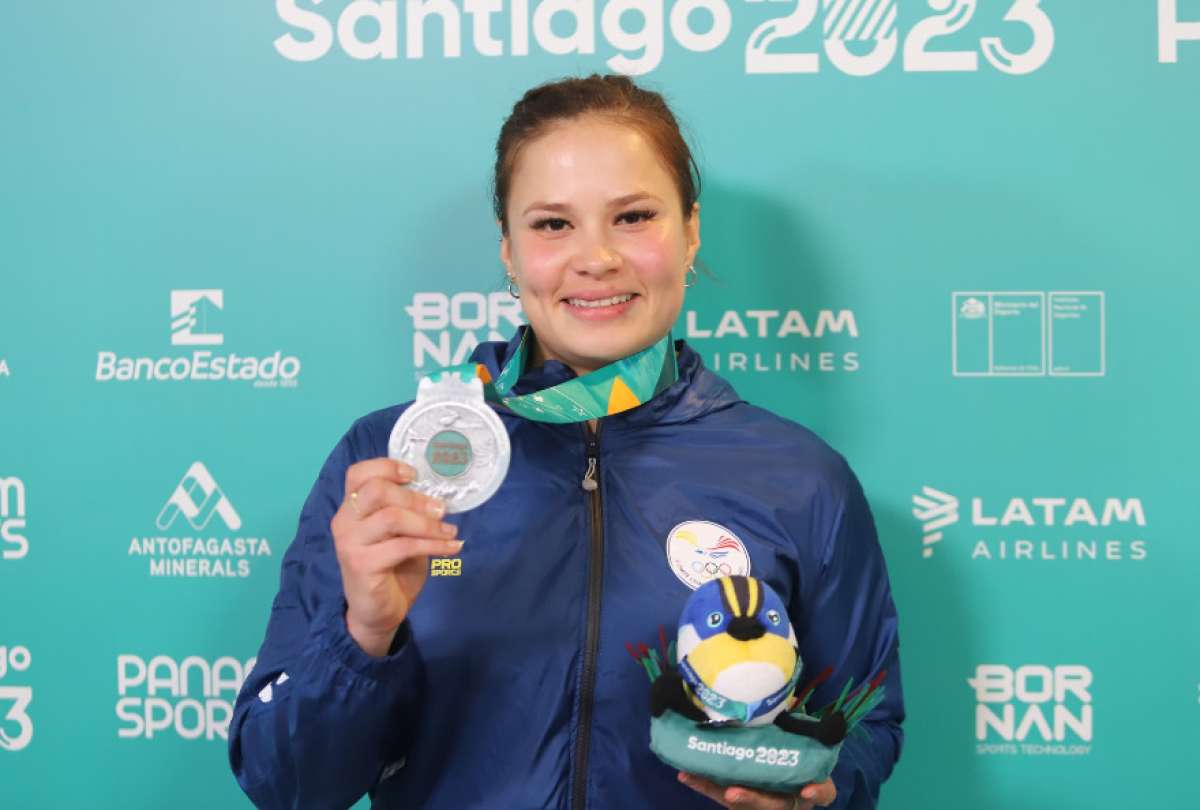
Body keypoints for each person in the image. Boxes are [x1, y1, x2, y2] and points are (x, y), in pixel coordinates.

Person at [229, 74, 904, 810]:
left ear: (691, 231)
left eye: (634, 217)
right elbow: (287, 785)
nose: (597, 258)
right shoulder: (391, 462)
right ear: (509, 252)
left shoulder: (799, 478)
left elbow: (862, 727)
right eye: (553, 224)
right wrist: (365, 634)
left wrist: (820, 790)